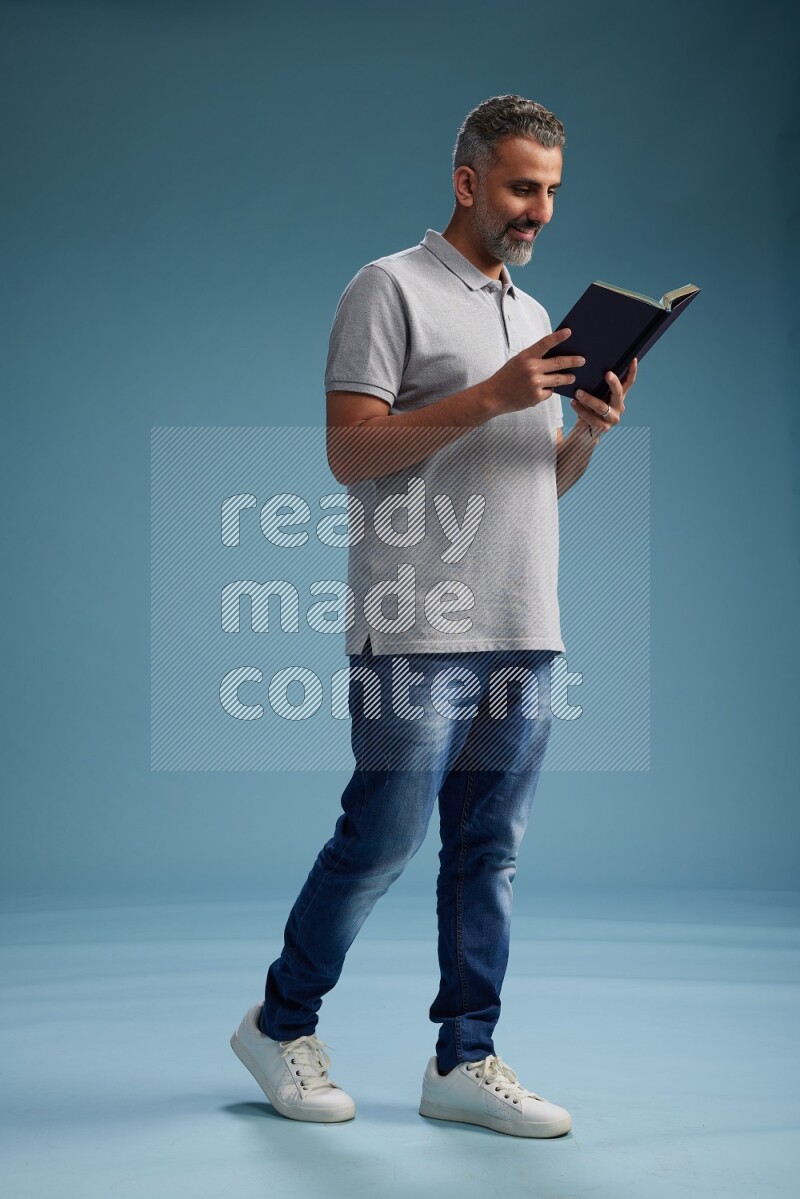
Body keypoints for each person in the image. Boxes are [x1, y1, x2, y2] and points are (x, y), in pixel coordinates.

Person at [230, 94, 638, 1137]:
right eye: (520, 186)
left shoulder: (533, 315)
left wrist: (584, 434)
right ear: (466, 182)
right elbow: (349, 451)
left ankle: (465, 1056)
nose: (538, 209)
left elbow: (531, 482)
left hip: (524, 624)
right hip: (415, 624)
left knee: (489, 851)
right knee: (382, 839)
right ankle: (279, 1024)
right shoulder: (387, 288)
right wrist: (494, 395)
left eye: (551, 190)